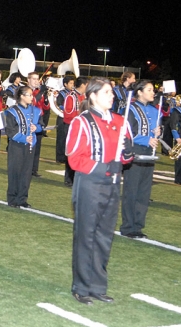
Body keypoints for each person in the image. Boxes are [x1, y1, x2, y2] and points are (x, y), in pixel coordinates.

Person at [67, 77, 134, 305]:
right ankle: (81, 287)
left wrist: (127, 155)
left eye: (112, 92)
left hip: (113, 185)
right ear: (93, 96)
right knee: (86, 235)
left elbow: (125, 156)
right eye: (107, 92)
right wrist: (106, 168)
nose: (112, 96)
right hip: (89, 185)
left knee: (105, 236)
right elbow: (75, 158)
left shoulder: (119, 120)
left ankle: (98, 286)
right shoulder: (81, 122)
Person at [120, 80, 161, 239]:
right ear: (139, 92)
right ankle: (128, 226)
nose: (153, 93)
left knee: (144, 191)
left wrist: (157, 132)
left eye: (153, 90)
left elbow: (154, 132)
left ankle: (138, 225)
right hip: (135, 151)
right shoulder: (129, 109)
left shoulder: (154, 110)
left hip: (149, 152)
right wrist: (146, 139)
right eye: (149, 90)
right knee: (132, 190)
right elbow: (128, 133)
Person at [4, 86, 43, 208]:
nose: (32, 97)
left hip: (31, 146)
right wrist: (23, 137)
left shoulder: (36, 110)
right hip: (16, 146)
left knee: (26, 172)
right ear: (22, 96)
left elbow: (42, 125)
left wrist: (36, 128)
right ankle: (12, 199)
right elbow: (10, 130)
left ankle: (22, 198)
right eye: (29, 95)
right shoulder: (11, 111)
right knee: (15, 171)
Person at [63, 77, 89, 186]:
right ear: (83, 85)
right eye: (87, 85)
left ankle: (76, 177)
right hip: (71, 127)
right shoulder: (71, 96)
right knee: (71, 152)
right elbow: (67, 114)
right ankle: (69, 178)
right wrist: (81, 116)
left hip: (81, 127)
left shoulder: (83, 96)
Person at [27, 71, 50, 177]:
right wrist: (41, 92)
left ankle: (34, 169)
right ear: (28, 80)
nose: (37, 81)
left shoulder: (38, 92)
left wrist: (45, 97)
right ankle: (26, 168)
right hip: (29, 121)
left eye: (37, 79)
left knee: (37, 147)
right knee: (28, 147)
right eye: (34, 79)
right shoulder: (25, 91)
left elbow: (46, 107)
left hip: (39, 120)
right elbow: (31, 103)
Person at [55, 76, 74, 164]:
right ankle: (60, 157)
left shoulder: (73, 93)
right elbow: (58, 104)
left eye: (73, 83)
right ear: (65, 84)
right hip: (62, 117)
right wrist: (67, 109)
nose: (72, 85)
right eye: (70, 83)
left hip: (70, 118)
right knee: (61, 138)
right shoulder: (61, 93)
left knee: (68, 138)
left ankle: (67, 156)